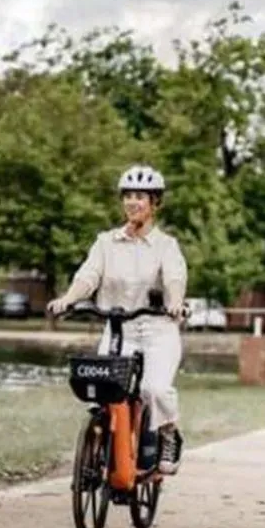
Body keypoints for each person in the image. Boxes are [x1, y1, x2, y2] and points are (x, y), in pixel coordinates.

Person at [46, 164, 189, 475]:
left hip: (157, 330)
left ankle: (168, 434)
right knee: (101, 388)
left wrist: (175, 304)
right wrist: (69, 298)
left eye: (140, 197)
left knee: (154, 388)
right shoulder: (106, 242)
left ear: (155, 204)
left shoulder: (166, 245)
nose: (133, 203)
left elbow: (174, 279)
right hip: (117, 329)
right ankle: (100, 449)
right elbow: (89, 275)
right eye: (128, 196)